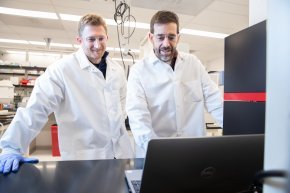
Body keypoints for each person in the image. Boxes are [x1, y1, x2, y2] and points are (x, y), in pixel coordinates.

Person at [0, 13, 134, 174]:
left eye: (101, 38)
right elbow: (36, 108)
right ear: (80, 40)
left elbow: (123, 106)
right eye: (91, 39)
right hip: (83, 159)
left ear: (107, 37)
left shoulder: (117, 70)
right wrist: (12, 147)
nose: (97, 45)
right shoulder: (62, 70)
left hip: (120, 155)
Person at [126, 10, 223, 157]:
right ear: (151, 37)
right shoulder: (138, 71)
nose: (166, 43)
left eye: (171, 37)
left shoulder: (193, 63)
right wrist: (157, 152)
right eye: (160, 37)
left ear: (178, 37)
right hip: (157, 155)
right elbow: (138, 117)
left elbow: (215, 102)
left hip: (194, 152)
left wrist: (239, 134)